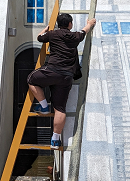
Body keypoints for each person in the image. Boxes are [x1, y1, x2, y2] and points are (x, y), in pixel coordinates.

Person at [27, 13, 97, 150]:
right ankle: (55, 140)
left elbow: (39, 38)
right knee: (60, 108)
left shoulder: (53, 34)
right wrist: (90, 23)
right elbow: (84, 31)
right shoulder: (75, 36)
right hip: (66, 76)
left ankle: (44, 107)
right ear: (70, 24)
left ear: (59, 24)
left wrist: (46, 30)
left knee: (31, 79)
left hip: (52, 71)